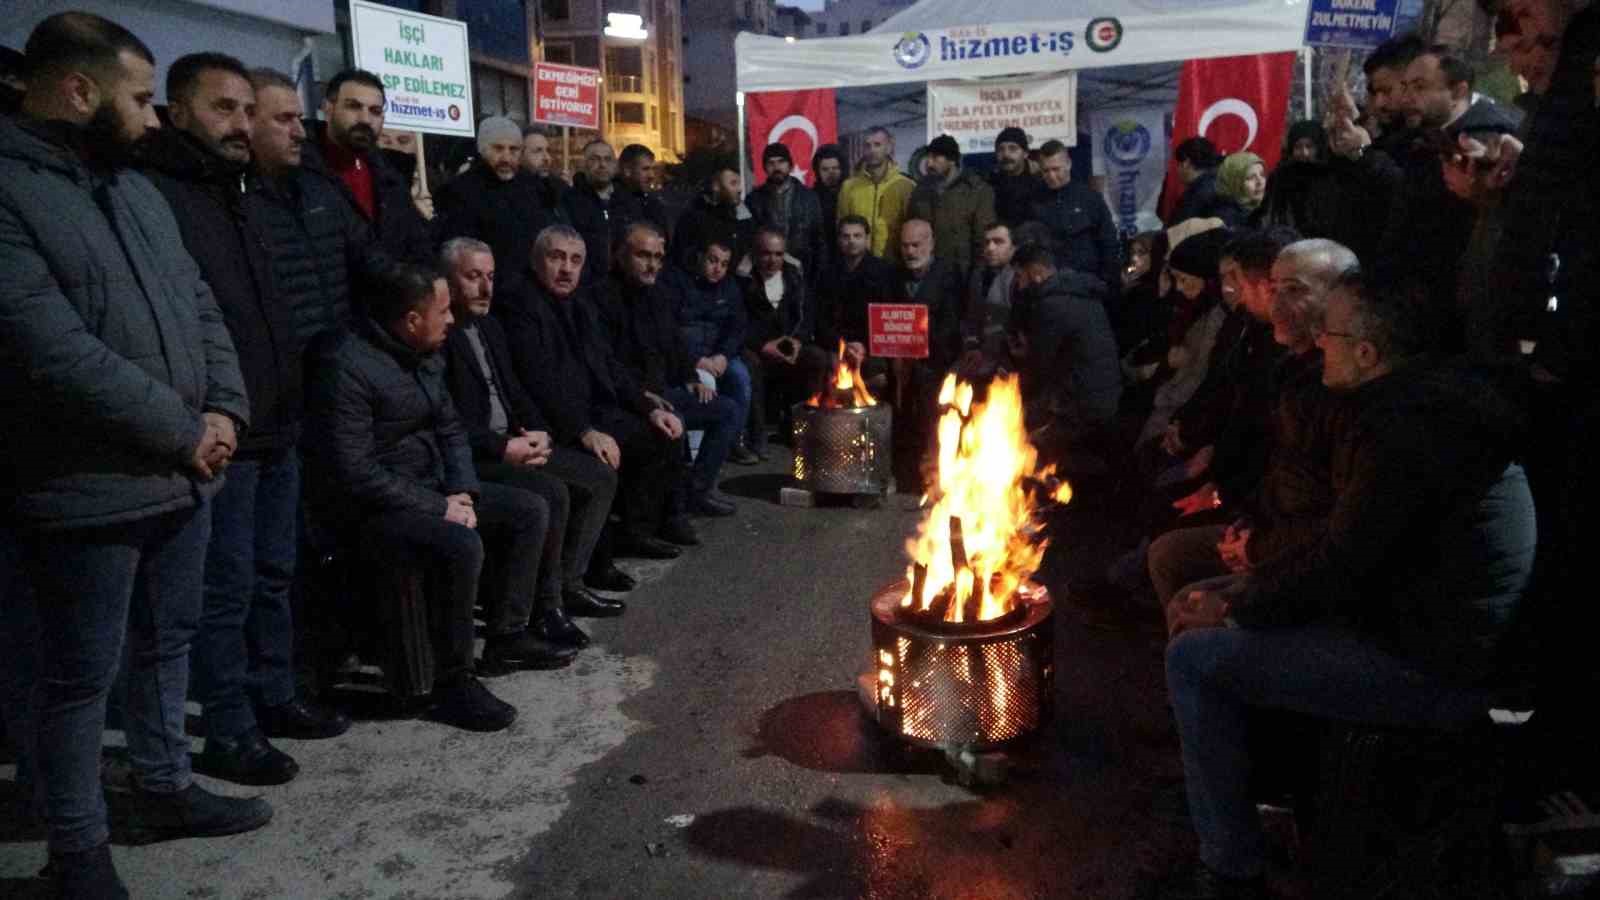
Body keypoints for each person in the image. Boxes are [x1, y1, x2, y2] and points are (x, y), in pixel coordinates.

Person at [1158, 272, 1537, 898]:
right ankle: (1248, 793)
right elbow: (1341, 550)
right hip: (1399, 617)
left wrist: (1236, 609)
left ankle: (1230, 867)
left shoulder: (1410, 432)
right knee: (1199, 598)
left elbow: (1343, 565)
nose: (1317, 347)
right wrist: (1237, 592)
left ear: (1367, 354)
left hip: (1433, 661)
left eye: (1329, 335)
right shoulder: (1409, 407)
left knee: (1194, 659)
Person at [0, 13, 266, 895]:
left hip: (186, 474)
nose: (153, 120)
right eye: (142, 99)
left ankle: (164, 787)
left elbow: (198, 304)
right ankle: (78, 852)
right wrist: (182, 428)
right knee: (79, 679)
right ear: (79, 92)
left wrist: (225, 407)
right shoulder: (8, 192)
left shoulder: (134, 190)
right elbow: (50, 348)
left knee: (167, 643)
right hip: (85, 484)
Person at [141, 52, 350, 788]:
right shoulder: (162, 196)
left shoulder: (239, 193)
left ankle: (275, 695)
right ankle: (229, 727)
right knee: (224, 589)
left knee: (272, 573)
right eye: (223, 109)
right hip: (226, 429)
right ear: (178, 111)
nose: (238, 124)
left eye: (243, 111)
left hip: (278, 420)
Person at [304, 262, 527, 732]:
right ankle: (454, 682)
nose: (452, 320)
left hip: (431, 487)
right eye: (443, 311)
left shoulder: (425, 352)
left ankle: (509, 636)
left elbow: (449, 427)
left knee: (528, 510)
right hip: (373, 507)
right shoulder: (346, 365)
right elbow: (355, 471)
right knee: (460, 544)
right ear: (409, 319)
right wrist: (439, 507)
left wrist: (462, 489)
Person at [439, 237, 623, 657]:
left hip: (514, 441)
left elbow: (515, 389)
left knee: (596, 476)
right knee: (549, 495)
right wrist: (504, 447)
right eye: (473, 278)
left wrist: (537, 432)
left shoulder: (488, 325)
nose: (486, 288)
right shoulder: (443, 336)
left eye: (490, 277)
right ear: (448, 281)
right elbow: (447, 424)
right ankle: (533, 614)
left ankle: (565, 588)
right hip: (478, 456)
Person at [496, 225, 695, 558]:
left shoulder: (579, 304)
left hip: (591, 409)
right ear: (535, 260)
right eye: (556, 257)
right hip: (552, 421)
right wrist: (585, 431)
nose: (566, 269)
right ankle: (592, 560)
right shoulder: (520, 304)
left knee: (662, 432)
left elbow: (609, 365)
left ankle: (635, 532)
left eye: (575, 260)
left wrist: (649, 407)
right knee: (608, 459)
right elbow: (538, 381)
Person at [602, 223, 743, 516]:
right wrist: (643, 398)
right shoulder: (603, 299)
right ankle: (670, 512)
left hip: (664, 391)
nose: (652, 264)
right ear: (620, 255)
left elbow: (674, 344)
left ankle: (697, 491)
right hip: (631, 399)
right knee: (672, 423)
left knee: (728, 410)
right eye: (643, 255)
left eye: (658, 257)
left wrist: (691, 378)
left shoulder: (657, 295)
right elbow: (608, 364)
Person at [246, 67, 386, 351]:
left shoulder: (319, 190)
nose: (298, 132)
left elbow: (371, 260)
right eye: (284, 119)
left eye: (298, 119)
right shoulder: (232, 199)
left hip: (340, 358)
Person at [1004, 242, 1122, 462]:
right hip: (1104, 394)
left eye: (1020, 277)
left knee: (1021, 438)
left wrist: (1019, 360)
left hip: (1082, 404)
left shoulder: (1051, 305)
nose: (1019, 287)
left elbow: (1040, 366)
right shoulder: (1080, 292)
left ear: (1036, 273)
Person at [301, 68, 433, 263]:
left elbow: (415, 246)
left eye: (375, 111)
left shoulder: (390, 178)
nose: (365, 119)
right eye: (353, 106)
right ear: (328, 109)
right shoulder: (299, 170)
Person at [433, 116, 567, 294]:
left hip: (534, 292)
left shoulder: (535, 188)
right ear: (482, 149)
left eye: (514, 150)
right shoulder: (459, 191)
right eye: (498, 148)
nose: (506, 157)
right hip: (488, 293)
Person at [658, 239, 756, 461]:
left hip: (719, 354)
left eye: (724, 263)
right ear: (701, 257)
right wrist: (697, 359)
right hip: (688, 357)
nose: (717, 268)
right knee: (706, 384)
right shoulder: (678, 283)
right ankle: (695, 454)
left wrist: (724, 355)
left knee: (740, 378)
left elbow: (737, 327)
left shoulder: (730, 287)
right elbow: (671, 329)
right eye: (712, 260)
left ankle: (732, 440)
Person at [890, 219, 966, 491]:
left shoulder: (949, 274)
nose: (910, 251)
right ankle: (903, 473)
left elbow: (952, 325)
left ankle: (935, 474)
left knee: (927, 392)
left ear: (931, 244)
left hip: (938, 359)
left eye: (916, 245)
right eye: (905, 246)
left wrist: (920, 348)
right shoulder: (895, 275)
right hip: (899, 360)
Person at [741, 228, 831, 454]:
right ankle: (757, 435)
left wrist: (798, 341)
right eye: (766, 254)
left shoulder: (794, 277)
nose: (773, 260)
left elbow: (807, 315)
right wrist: (763, 345)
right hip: (758, 347)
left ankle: (807, 430)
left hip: (789, 342)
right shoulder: (743, 280)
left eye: (778, 254)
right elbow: (738, 322)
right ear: (755, 254)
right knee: (750, 364)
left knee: (818, 358)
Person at [1031, 138, 1122, 296]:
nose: (1051, 176)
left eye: (1056, 169)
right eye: (1046, 171)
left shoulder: (1090, 198)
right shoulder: (1035, 201)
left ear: (1068, 164)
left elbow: (1108, 241)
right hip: (1049, 287)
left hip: (1088, 285)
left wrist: (1107, 281)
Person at [907, 133, 997, 278]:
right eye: (928, 158)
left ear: (952, 160)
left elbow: (983, 237)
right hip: (927, 272)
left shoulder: (976, 190)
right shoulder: (920, 191)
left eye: (936, 158)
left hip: (962, 274)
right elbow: (911, 230)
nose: (929, 164)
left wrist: (977, 276)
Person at [815, 214, 897, 363]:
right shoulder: (827, 273)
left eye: (857, 236)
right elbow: (820, 318)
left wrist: (863, 345)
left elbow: (887, 318)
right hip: (835, 345)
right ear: (839, 240)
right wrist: (840, 345)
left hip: (871, 347)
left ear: (867, 239)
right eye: (846, 236)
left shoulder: (884, 272)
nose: (851, 241)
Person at [745, 141, 826, 281]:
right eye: (771, 163)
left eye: (781, 162)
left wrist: (817, 276)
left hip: (803, 272)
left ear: (790, 165)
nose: (776, 167)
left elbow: (819, 240)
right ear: (764, 167)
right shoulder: (753, 200)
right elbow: (750, 240)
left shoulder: (809, 197)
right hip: (767, 274)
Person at [837, 125, 915, 263]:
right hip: (858, 264)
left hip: (893, 264)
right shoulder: (849, 187)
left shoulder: (906, 186)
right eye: (867, 145)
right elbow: (841, 226)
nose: (871, 150)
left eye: (877, 144)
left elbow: (912, 230)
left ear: (888, 148)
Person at [673, 156, 754, 273]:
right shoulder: (694, 216)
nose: (740, 189)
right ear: (716, 185)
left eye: (739, 183)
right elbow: (682, 257)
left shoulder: (743, 214)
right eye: (733, 183)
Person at [961, 221, 1019, 366]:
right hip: (979, 357)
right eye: (987, 242)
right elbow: (971, 317)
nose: (990, 248)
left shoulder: (1020, 278)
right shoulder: (977, 275)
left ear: (1013, 247)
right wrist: (972, 346)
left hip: (1009, 360)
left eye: (998, 242)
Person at [612, 142, 672, 245]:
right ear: (627, 170)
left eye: (653, 169)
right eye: (645, 169)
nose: (651, 175)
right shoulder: (611, 202)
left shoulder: (654, 203)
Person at [989, 125, 1043, 227]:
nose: (1006, 154)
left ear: (1026, 153)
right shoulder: (990, 183)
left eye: (1012, 148)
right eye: (1001, 149)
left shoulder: (1041, 182)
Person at [1168, 137, 1223, 226]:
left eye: (1178, 164)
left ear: (1186, 163)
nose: (1177, 170)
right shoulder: (1221, 181)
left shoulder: (1195, 196)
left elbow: (1175, 232)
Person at [1205, 152, 1267, 227]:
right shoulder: (1224, 219)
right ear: (1234, 183)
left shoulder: (1261, 208)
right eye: (1251, 177)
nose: (1260, 182)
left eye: (1262, 174)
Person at [811, 142, 847, 236]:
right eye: (825, 169)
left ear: (842, 169)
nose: (831, 173)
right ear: (818, 172)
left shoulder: (852, 193)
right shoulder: (810, 198)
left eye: (835, 168)